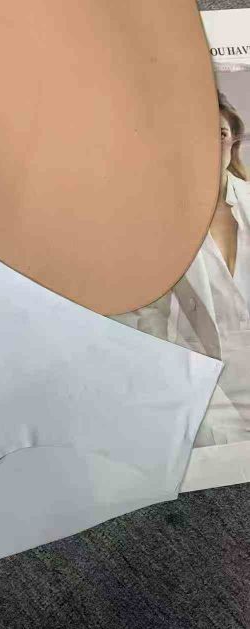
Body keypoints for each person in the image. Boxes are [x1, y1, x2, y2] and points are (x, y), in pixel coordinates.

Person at [112, 90, 250, 454]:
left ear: (233, 140)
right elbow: (143, 318)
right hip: (209, 395)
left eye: (220, 134)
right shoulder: (155, 224)